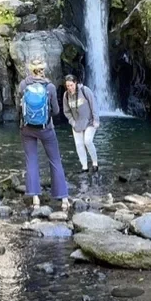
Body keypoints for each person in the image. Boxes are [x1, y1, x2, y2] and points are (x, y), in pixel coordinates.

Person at [18, 58, 70, 211]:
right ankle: (64, 198)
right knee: (55, 160)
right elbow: (55, 111)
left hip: (27, 128)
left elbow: (19, 107)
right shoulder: (50, 87)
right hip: (46, 128)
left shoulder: (23, 85)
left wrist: (21, 123)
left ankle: (35, 199)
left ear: (30, 69)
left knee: (31, 160)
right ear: (43, 70)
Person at [63, 74, 100, 173]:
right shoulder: (66, 95)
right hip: (77, 124)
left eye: (71, 85)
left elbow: (94, 104)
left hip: (90, 121)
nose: (70, 88)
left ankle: (95, 163)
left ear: (75, 83)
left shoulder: (85, 90)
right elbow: (66, 111)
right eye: (68, 86)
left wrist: (96, 119)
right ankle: (84, 166)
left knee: (87, 141)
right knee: (79, 145)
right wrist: (73, 122)